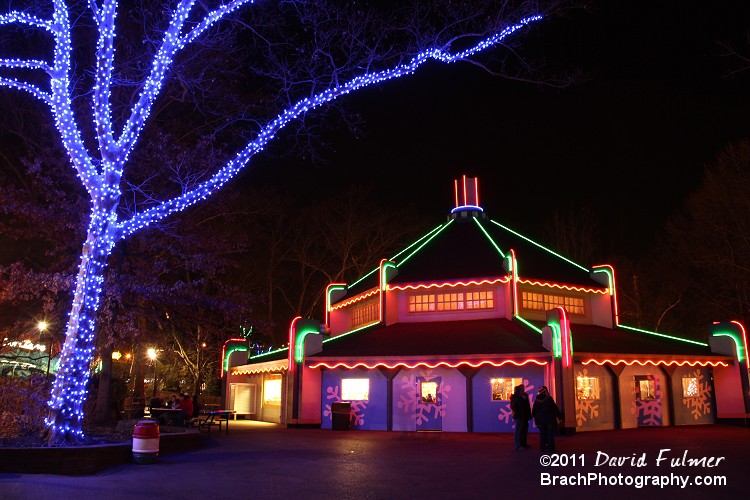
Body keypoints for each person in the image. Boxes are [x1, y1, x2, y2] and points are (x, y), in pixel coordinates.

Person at [532, 385, 563, 453]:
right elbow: (555, 409)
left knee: (542, 434)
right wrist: (560, 417)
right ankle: (551, 448)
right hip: (549, 419)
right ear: (546, 391)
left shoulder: (537, 400)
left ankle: (542, 448)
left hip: (540, 420)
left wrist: (535, 417)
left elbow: (534, 411)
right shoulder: (549, 399)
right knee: (550, 434)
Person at [510, 384, 531, 450]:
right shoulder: (516, 397)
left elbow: (527, 406)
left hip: (523, 415)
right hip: (519, 415)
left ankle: (523, 443)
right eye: (521, 389)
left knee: (523, 430)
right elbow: (513, 406)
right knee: (518, 430)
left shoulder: (524, 396)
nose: (523, 390)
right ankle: (517, 445)